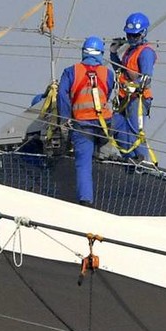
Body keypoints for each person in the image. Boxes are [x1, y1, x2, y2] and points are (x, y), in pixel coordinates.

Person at [57, 36, 118, 206]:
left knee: (83, 164)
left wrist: (64, 120)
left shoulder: (71, 71)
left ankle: (86, 200)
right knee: (104, 152)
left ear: (83, 52)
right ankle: (107, 156)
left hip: (82, 124)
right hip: (105, 124)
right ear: (101, 53)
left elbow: (62, 96)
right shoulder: (108, 74)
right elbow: (108, 92)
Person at [110, 12, 157, 162]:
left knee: (136, 130)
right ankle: (129, 158)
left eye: (135, 36)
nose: (131, 38)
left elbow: (146, 78)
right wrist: (113, 53)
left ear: (143, 33)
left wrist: (134, 87)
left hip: (137, 98)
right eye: (129, 35)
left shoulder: (146, 52)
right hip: (125, 98)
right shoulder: (131, 51)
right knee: (117, 126)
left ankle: (142, 162)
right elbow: (120, 70)